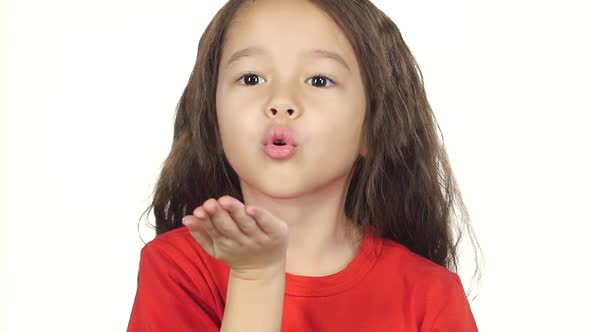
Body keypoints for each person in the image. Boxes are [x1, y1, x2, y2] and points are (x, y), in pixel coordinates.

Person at [128, 0, 483, 331]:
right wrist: (256, 277)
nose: (281, 102)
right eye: (251, 78)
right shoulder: (176, 268)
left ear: (373, 129)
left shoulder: (431, 294)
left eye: (319, 80)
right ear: (213, 116)